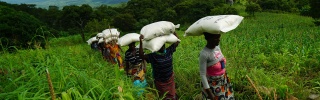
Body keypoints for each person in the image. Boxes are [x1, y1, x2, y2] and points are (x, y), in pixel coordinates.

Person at [139, 32, 180, 100]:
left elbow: (177, 41)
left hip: (170, 79)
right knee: (164, 97)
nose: (162, 46)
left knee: (172, 96)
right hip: (160, 82)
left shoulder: (168, 51)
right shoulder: (153, 56)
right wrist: (141, 42)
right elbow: (141, 55)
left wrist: (173, 31)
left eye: (162, 44)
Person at [199, 32, 234, 100]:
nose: (219, 40)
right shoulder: (204, 54)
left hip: (223, 80)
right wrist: (209, 93)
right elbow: (202, 74)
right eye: (216, 38)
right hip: (213, 85)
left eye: (219, 37)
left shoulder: (217, 47)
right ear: (208, 39)